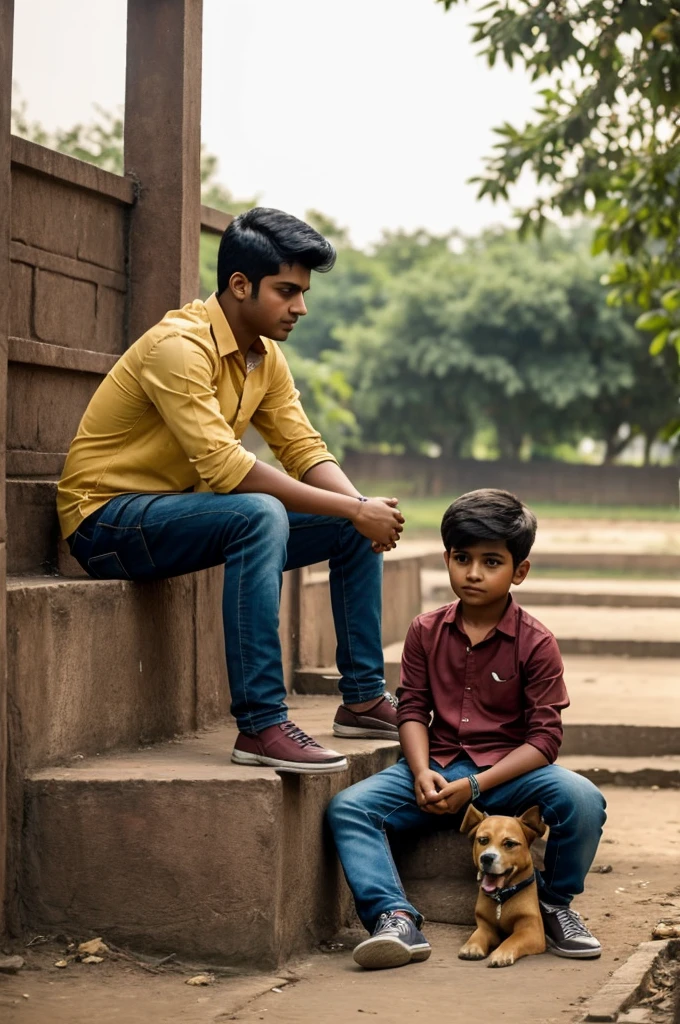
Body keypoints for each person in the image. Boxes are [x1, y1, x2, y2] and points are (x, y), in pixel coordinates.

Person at [57, 208, 404, 774]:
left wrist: (360, 509)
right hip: (106, 523)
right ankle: (262, 725)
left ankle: (363, 698)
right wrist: (353, 507)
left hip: (180, 519)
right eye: (286, 291)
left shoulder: (264, 357)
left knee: (346, 524)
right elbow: (226, 469)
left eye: (304, 292)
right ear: (240, 285)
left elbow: (304, 448)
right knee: (262, 512)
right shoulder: (180, 347)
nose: (301, 307)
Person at [327, 488, 607, 968]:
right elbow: (411, 709)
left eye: (491, 562)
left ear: (519, 571)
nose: (473, 573)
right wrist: (420, 772)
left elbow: (544, 740)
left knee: (583, 801)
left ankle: (553, 906)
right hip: (437, 765)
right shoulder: (425, 631)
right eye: (462, 558)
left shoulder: (537, 643)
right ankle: (394, 918)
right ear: (447, 559)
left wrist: (475, 784)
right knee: (349, 808)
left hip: (512, 773)